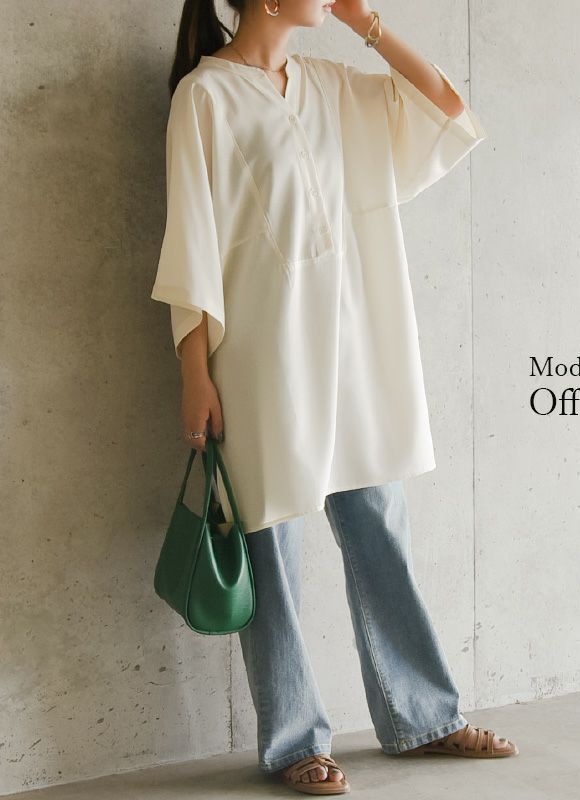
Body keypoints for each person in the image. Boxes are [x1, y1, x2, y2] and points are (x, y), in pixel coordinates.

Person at [151, 0, 518, 793]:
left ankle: (424, 718)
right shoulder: (204, 97)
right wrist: (194, 373)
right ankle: (294, 743)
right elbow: (192, 241)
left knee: (380, 528)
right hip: (261, 360)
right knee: (273, 549)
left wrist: (365, 22)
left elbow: (445, 108)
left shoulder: (328, 84)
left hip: (353, 352)